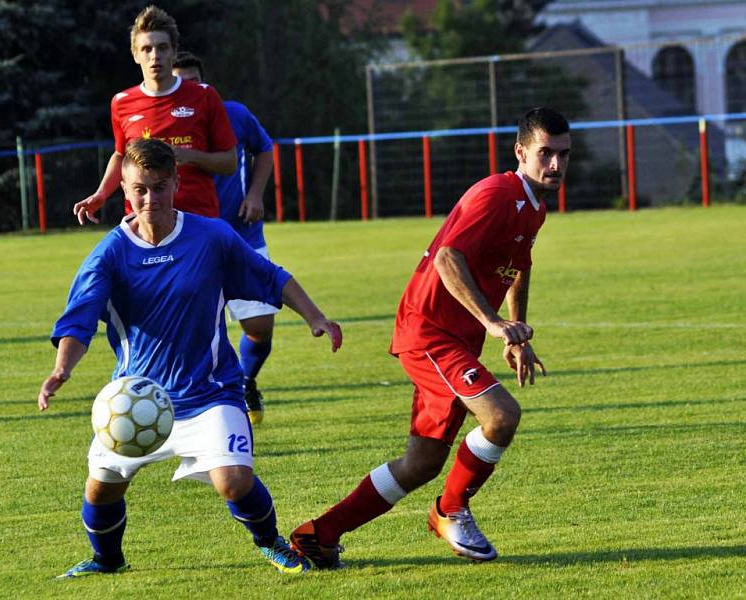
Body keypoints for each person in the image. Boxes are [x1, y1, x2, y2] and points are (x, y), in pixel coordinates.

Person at [38, 138, 342, 578]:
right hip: (136, 400)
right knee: (101, 490)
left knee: (233, 481)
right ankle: (107, 561)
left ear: (177, 183)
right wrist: (61, 369)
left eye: (160, 187)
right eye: (141, 188)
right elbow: (79, 320)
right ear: (125, 188)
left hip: (211, 393)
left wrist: (315, 316)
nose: (150, 198)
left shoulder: (211, 237)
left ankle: (270, 542)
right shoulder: (110, 253)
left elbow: (271, 277)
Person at [290, 107, 571, 568]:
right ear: (521, 151)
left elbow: (519, 266)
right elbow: (447, 258)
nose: (556, 165)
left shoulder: (534, 206)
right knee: (501, 416)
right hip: (430, 331)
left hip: (452, 338)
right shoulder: (497, 194)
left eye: (563, 154)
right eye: (546, 153)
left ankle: (317, 534)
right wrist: (492, 322)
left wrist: (516, 334)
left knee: (421, 463)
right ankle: (449, 510)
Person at [172, 51, 276, 425]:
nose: (190, 89)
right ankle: (207, 404)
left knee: (261, 327)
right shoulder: (165, 125)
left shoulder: (233, 114)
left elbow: (264, 149)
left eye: (195, 82)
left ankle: (247, 379)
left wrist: (255, 194)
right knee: (197, 330)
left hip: (242, 233)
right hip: (191, 243)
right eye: (180, 82)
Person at [73, 5, 237, 225]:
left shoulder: (204, 95)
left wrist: (191, 156)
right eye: (146, 49)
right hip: (143, 225)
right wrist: (102, 193)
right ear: (135, 55)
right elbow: (121, 155)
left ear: (174, 51)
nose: (155, 56)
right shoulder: (122, 102)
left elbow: (230, 162)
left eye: (162, 48)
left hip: (198, 221)